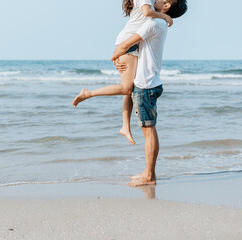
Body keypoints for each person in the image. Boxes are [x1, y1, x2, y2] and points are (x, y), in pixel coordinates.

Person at [73, 0, 173, 145]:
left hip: (131, 43)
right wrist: (166, 17)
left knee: (131, 87)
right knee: (126, 88)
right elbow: (147, 13)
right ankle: (87, 93)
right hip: (129, 42)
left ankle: (125, 127)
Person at [111, 0, 188, 186]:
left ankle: (149, 176)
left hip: (145, 84)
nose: (156, 0)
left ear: (167, 5)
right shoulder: (159, 23)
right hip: (150, 82)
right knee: (149, 130)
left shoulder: (154, 23)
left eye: (161, 0)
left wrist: (114, 57)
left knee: (149, 130)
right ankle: (148, 172)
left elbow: (125, 45)